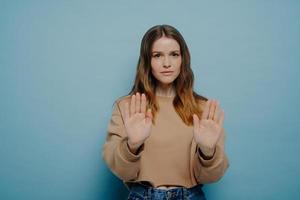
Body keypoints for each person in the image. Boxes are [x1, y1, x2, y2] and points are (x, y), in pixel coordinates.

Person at [102, 24, 229, 200]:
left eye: (174, 55)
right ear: (147, 61)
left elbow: (211, 177)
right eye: (157, 55)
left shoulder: (203, 109)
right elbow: (121, 171)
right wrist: (132, 145)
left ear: (183, 59)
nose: (167, 63)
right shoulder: (127, 107)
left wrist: (207, 152)